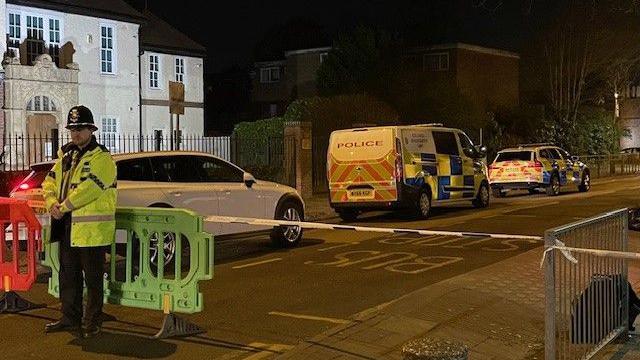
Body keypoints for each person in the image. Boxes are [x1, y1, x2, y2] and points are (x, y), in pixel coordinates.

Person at [42, 105, 117, 338]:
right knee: (68, 276)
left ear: (91, 130)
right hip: (67, 226)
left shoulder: (102, 158)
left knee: (93, 279)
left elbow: (90, 189)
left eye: (81, 128)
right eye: (73, 129)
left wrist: (62, 207)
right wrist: (51, 203)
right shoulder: (66, 156)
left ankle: (92, 321)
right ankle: (70, 318)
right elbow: (49, 182)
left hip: (91, 231)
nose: (76, 134)